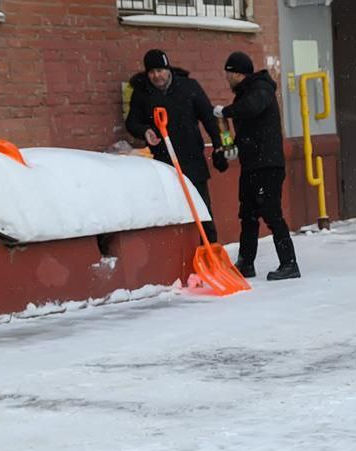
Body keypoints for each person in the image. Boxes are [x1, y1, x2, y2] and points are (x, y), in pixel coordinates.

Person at [125, 49, 226, 242]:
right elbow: (132, 122)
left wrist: (218, 145)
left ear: (168, 69)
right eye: (152, 72)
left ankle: (210, 247)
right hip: (164, 163)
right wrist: (145, 131)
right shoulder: (142, 94)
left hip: (192, 159)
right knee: (174, 209)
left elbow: (208, 117)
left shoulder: (189, 87)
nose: (157, 75)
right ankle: (184, 252)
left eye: (160, 70)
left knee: (202, 208)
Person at [214, 51, 299, 281]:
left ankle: (289, 263)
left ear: (238, 73)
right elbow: (246, 132)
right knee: (248, 215)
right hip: (251, 166)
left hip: (268, 166)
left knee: (271, 214)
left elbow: (252, 108)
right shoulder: (242, 96)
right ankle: (246, 263)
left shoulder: (261, 88)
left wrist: (226, 112)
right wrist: (228, 148)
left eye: (228, 74)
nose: (227, 78)